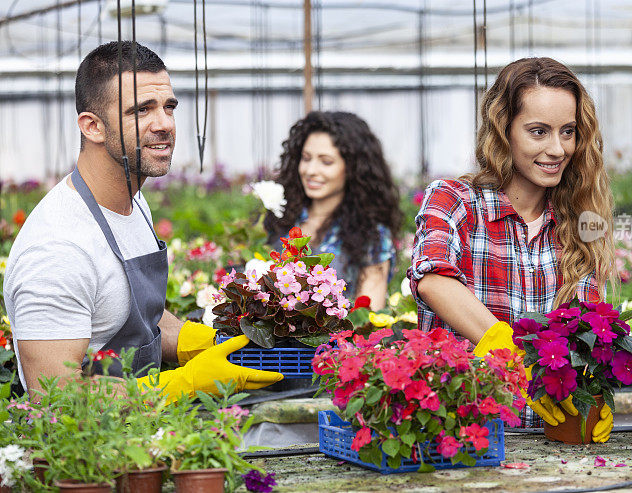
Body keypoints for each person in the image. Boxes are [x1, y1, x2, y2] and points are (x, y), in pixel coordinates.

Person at [3, 41, 282, 399]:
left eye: (169, 107)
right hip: (95, 451)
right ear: (93, 127)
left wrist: (198, 341)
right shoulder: (57, 249)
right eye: (142, 110)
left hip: (150, 434)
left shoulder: (132, 202)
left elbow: (132, 314)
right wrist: (184, 383)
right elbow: (56, 400)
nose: (164, 124)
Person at [408, 57, 615, 440]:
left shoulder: (580, 225)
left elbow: (586, 331)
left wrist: (593, 393)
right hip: (462, 439)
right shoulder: (455, 201)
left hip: (550, 440)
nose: (557, 149)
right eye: (538, 132)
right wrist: (504, 347)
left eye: (567, 132)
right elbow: (433, 278)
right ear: (503, 130)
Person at [263, 111, 400, 310]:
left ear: (353, 168)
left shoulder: (372, 236)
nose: (310, 170)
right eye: (306, 158)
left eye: (326, 161)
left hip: (335, 340)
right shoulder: (279, 220)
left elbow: (368, 315)